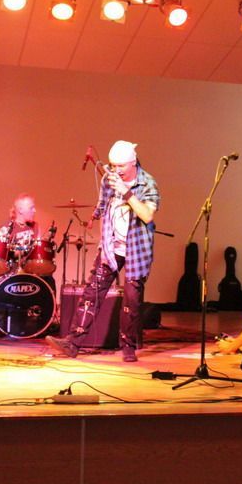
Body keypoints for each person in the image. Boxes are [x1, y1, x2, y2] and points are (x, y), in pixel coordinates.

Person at [46, 141, 159, 362]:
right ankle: (73, 342)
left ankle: (128, 347)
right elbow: (103, 202)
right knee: (93, 292)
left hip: (136, 249)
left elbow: (147, 215)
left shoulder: (148, 183)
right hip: (112, 245)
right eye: (113, 165)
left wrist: (127, 193)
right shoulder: (109, 179)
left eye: (121, 166)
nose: (116, 170)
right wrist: (94, 218)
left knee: (132, 300)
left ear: (133, 162)